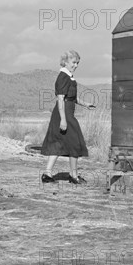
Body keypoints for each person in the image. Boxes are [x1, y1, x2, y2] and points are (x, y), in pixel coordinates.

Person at [41, 50, 96, 184]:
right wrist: (63, 120)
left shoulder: (69, 77)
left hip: (67, 112)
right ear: (65, 62)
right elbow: (61, 99)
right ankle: (73, 175)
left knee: (58, 142)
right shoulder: (63, 76)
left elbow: (72, 97)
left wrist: (85, 104)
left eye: (77, 63)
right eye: (73, 62)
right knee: (75, 142)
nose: (76, 65)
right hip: (62, 114)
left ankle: (47, 174)